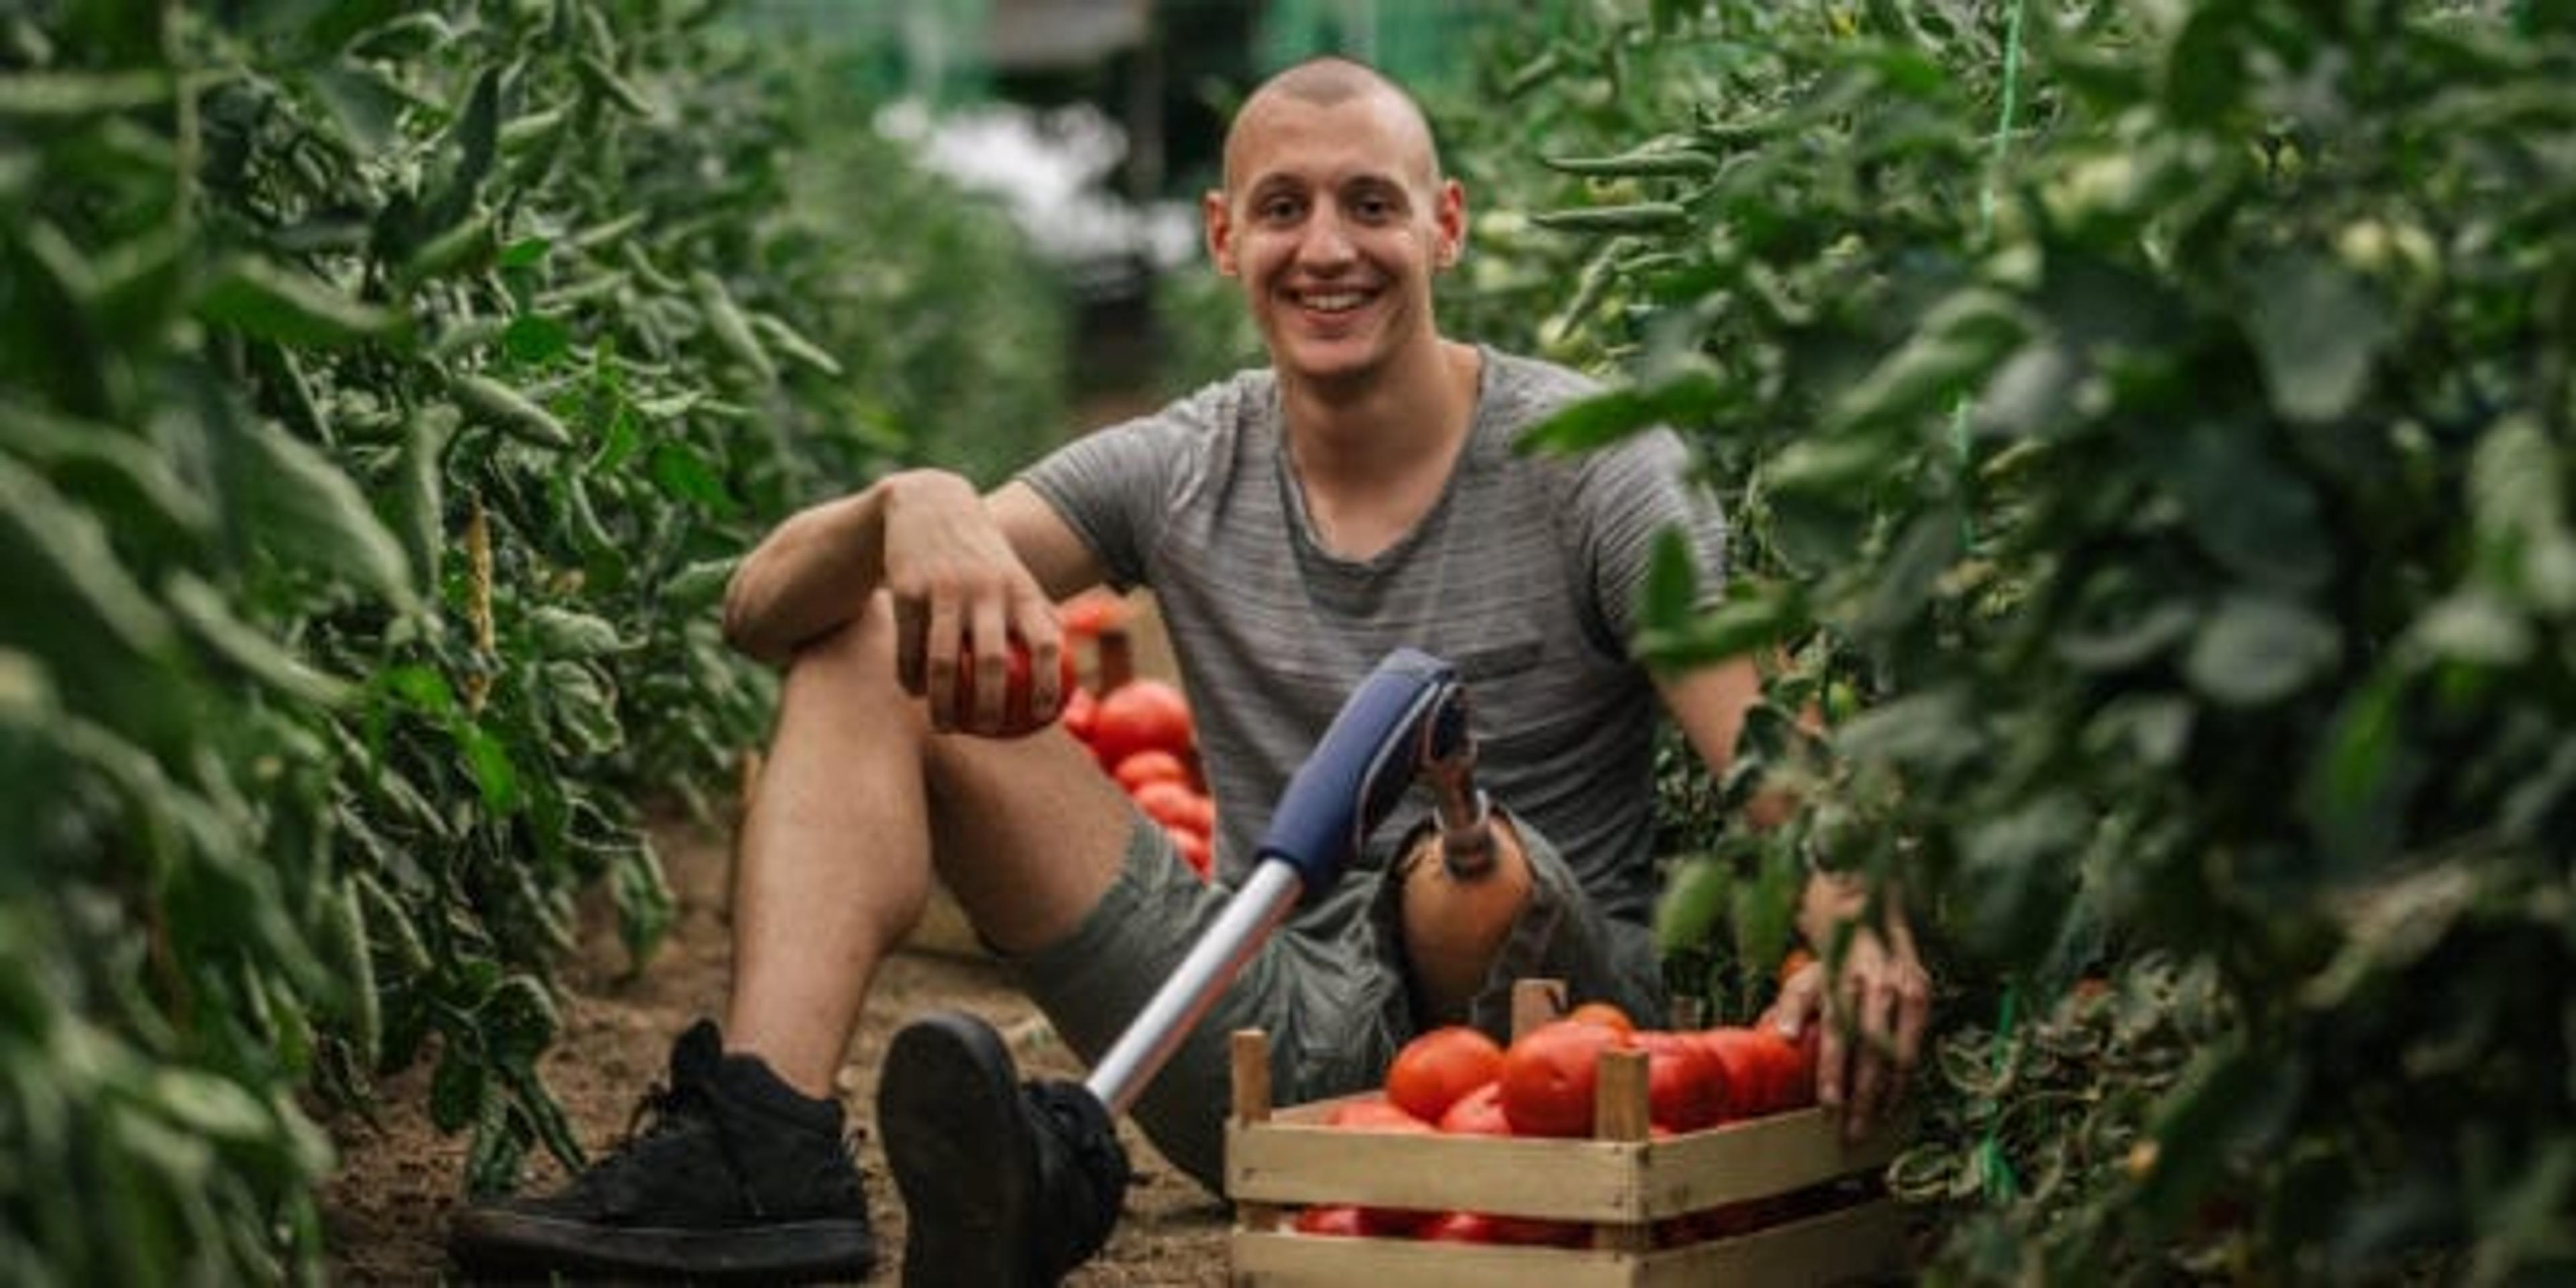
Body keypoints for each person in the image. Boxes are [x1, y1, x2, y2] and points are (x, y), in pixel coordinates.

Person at [447, 54, 1931, 1286]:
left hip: (1540, 1055)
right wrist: (907, 504)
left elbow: (1761, 747)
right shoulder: (1186, 463)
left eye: (1372, 204)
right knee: (861, 636)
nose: (1328, 248)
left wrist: (1854, 921)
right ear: (1224, 239)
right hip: (1253, 1028)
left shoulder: (1592, 462)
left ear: (1449, 226)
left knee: (1458, 868)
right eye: (1283, 208)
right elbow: (762, 610)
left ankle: (1418, 1143)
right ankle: (762, 1155)